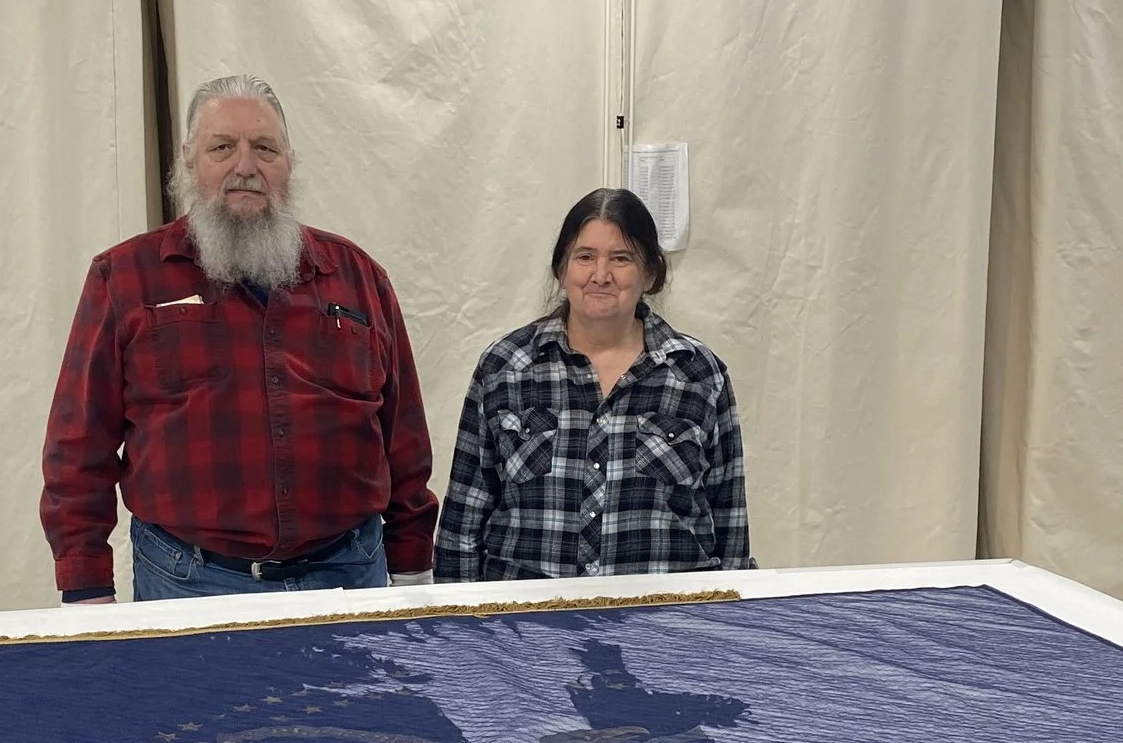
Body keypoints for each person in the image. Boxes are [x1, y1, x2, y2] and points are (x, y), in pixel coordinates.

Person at [42, 73, 437, 603]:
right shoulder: (124, 279)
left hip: (349, 576)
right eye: (222, 147)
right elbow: (78, 445)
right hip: (187, 583)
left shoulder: (359, 278)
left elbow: (404, 439)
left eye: (264, 148)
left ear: (290, 163)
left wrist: (413, 573)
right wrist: (85, 585)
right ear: (189, 162)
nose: (245, 166)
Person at [436, 187, 751, 582]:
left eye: (621, 258)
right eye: (585, 257)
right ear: (561, 269)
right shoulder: (505, 368)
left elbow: (731, 526)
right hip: (526, 616)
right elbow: (463, 522)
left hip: (665, 615)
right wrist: (457, 615)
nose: (601, 275)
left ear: (650, 274)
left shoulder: (699, 374)